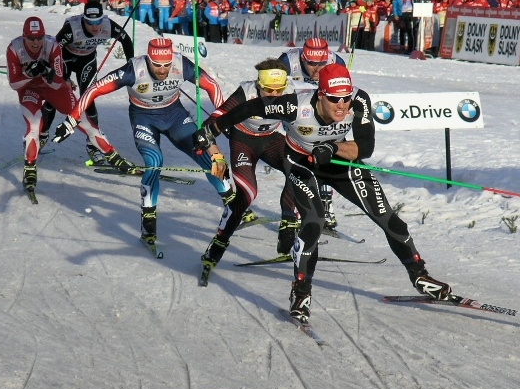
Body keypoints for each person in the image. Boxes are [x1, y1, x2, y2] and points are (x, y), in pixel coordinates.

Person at [192, 63, 452, 323]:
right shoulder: (295, 105)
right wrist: (212, 130)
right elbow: (251, 107)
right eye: (334, 99)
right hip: (300, 162)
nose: (342, 105)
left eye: (345, 98)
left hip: (338, 162)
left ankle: (419, 275)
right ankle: (301, 292)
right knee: (313, 222)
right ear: (321, 95)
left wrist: (333, 149)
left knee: (386, 216)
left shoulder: (359, 100)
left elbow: (365, 146)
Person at [54, 38, 235, 249]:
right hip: (143, 118)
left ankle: (233, 203)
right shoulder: (133, 70)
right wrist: (71, 120)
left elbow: (211, 85)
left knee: (204, 152)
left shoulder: (181, 64)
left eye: (167, 65)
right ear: (149, 59)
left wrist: (223, 118)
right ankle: (148, 222)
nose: (163, 70)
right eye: (157, 65)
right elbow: (94, 89)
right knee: (154, 161)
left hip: (174, 116)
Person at [198, 59, 301, 282]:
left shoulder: (293, 91)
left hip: (271, 138)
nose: (274, 95)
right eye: (268, 89)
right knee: (247, 194)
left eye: (279, 89)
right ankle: (218, 244)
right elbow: (217, 117)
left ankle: (289, 221)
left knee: (299, 168)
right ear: (258, 83)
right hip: (243, 141)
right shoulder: (246, 92)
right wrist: (211, 146)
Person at [6, 17, 132, 194]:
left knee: (83, 121)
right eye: (31, 38)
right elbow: (14, 84)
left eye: (39, 37)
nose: (35, 42)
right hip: (29, 90)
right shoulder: (14, 49)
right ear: (24, 37)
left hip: (53, 89)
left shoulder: (52, 45)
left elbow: (58, 82)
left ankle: (113, 156)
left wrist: (46, 71)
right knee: (34, 126)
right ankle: (30, 170)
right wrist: (29, 75)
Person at [41, 0, 138, 169]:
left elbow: (126, 40)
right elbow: (54, 50)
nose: (95, 27)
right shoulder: (71, 28)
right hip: (65, 59)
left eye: (98, 21)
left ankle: (93, 146)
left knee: (89, 98)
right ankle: (41, 135)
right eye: (90, 22)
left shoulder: (108, 25)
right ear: (83, 19)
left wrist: (131, 64)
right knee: (55, 95)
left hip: (87, 60)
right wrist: (62, 77)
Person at [278, 38, 347, 231]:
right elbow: (274, 91)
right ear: (302, 58)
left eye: (321, 64)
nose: (317, 69)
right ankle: (300, 209)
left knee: (327, 156)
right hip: (297, 116)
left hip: (323, 115)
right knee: (302, 162)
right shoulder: (288, 61)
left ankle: (325, 203)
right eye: (311, 64)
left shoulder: (336, 61)